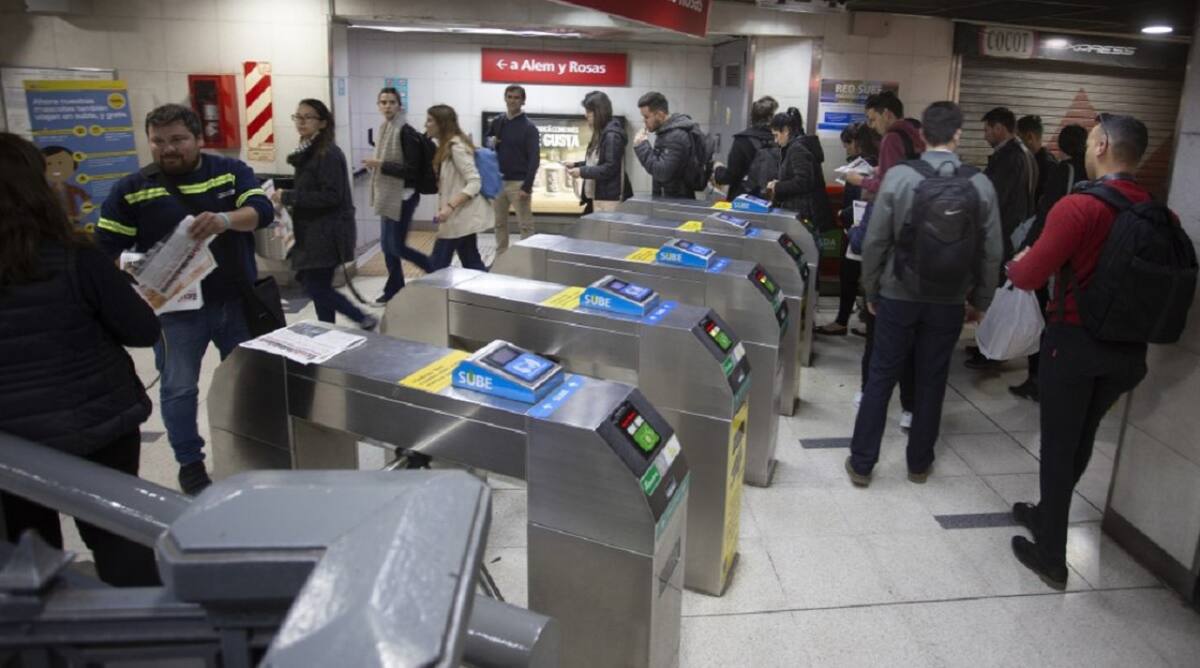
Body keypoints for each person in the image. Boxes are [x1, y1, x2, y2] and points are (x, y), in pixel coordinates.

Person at [1006, 113, 1167, 589]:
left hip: (1074, 344)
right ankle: (1046, 514)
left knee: (1059, 445)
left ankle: (1051, 556)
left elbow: (1029, 276)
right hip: (1128, 352)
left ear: (1100, 147)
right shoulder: (1157, 212)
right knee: (1081, 438)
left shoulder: (1079, 207)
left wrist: (1018, 264)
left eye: (1092, 138)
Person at [0, 132, 161, 586]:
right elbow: (142, 330)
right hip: (97, 422)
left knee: (30, 550)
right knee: (118, 537)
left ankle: (51, 627)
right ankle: (142, 622)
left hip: (12, 442)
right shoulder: (74, 257)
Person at [96, 104, 273, 495]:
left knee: (248, 381)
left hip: (235, 302)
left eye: (178, 139)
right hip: (174, 311)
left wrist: (225, 220)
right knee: (178, 389)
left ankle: (249, 447)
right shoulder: (133, 188)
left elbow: (262, 211)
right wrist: (138, 266)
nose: (168, 149)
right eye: (158, 141)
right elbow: (104, 247)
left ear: (197, 139)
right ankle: (189, 462)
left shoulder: (229, 172)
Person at [846, 101, 1003, 487]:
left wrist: (871, 289)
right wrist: (980, 300)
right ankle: (919, 463)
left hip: (898, 294)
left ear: (922, 134)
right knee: (932, 379)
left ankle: (862, 463)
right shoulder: (980, 184)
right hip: (948, 300)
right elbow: (992, 250)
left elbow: (876, 240)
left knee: (881, 376)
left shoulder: (900, 177)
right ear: (958, 135)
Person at [844, 91, 924, 426]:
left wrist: (862, 180)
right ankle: (910, 408)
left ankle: (868, 397)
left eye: (873, 118)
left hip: (891, 263)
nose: (872, 126)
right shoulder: (919, 139)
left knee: (878, 339)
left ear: (888, 113)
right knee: (912, 343)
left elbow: (870, 239)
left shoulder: (893, 137)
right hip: (920, 261)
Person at [272, 99, 376, 330]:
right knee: (316, 284)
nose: (301, 122)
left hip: (326, 232)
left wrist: (290, 196)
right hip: (312, 231)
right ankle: (327, 328)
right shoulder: (308, 150)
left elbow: (331, 196)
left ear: (323, 123)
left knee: (316, 286)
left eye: (308, 117)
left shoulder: (327, 153)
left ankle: (361, 317)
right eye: (298, 116)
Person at [1009, 124, 1089, 402]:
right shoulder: (1094, 173)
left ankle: (1038, 379)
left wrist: (1026, 249)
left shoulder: (1063, 171)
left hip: (1055, 256)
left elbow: (1046, 215)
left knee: (1042, 317)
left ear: (1062, 144)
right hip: (1083, 260)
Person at [965, 106, 1039, 370]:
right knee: (998, 292)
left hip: (1004, 234)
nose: (984, 135)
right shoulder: (1025, 154)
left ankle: (992, 352)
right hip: (1015, 232)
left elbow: (993, 197)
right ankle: (988, 346)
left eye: (987, 129)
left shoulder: (1009, 157)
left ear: (999, 128)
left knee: (995, 294)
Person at [363, 87, 432, 304]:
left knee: (395, 246)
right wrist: (377, 166)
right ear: (378, 105)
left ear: (399, 106)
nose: (387, 106)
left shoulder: (405, 132)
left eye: (392, 102)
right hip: (388, 196)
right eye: (383, 102)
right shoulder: (385, 128)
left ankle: (434, 268)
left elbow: (411, 170)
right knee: (387, 247)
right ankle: (394, 287)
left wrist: (380, 164)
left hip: (403, 197)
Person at [817, 122, 879, 336]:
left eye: (848, 144)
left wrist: (844, 214)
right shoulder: (877, 164)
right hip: (866, 228)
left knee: (849, 275)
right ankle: (869, 324)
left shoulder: (863, 167)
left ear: (858, 142)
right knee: (865, 277)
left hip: (858, 229)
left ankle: (843, 321)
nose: (847, 149)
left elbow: (860, 202)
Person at [427, 104, 490, 271]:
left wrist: (449, 207)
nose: (426, 124)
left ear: (442, 123)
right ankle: (488, 287)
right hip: (460, 219)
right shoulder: (447, 146)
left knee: (437, 267)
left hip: (457, 218)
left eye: (430, 120)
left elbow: (474, 182)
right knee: (472, 263)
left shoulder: (456, 147)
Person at [488, 85, 540, 253]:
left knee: (525, 225)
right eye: (509, 97)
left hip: (518, 184)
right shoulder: (498, 122)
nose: (512, 101)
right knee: (499, 223)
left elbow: (534, 159)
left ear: (523, 101)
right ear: (505, 98)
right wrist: (491, 142)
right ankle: (501, 257)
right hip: (499, 182)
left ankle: (527, 258)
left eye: (516, 98)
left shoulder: (529, 127)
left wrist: (527, 186)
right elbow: (487, 143)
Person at [567, 91, 628, 213]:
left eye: (588, 112)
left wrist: (582, 171)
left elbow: (609, 168)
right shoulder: (602, 132)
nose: (586, 116)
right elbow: (597, 162)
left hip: (607, 199)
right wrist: (576, 165)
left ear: (599, 112)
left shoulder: (612, 135)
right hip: (597, 196)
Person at [633, 91, 700, 199]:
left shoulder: (675, 136)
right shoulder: (666, 132)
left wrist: (642, 146)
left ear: (660, 115)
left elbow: (662, 173)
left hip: (676, 201)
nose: (644, 121)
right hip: (670, 198)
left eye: (646, 117)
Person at [712, 96, 778, 200]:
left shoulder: (742, 140)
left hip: (744, 198)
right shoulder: (780, 141)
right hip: (771, 198)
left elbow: (731, 175)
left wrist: (717, 169)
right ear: (772, 118)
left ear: (752, 117)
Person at [41, 145, 91, 227]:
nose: (56, 168)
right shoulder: (45, 192)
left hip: (72, 223)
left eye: (60, 163)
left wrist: (79, 217)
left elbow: (87, 200)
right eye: (49, 164)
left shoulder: (72, 189)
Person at [1017, 115, 1057, 205]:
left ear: (1029, 137)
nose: (1015, 143)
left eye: (1018, 138)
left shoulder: (1048, 166)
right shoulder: (1025, 161)